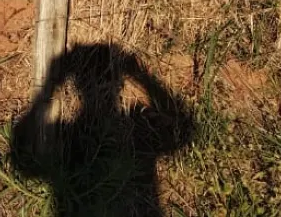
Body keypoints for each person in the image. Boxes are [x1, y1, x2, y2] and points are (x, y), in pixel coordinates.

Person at [11, 43, 194, 216]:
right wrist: (139, 75)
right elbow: (182, 130)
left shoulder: (69, 131)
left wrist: (47, 89)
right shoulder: (128, 125)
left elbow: (24, 163)